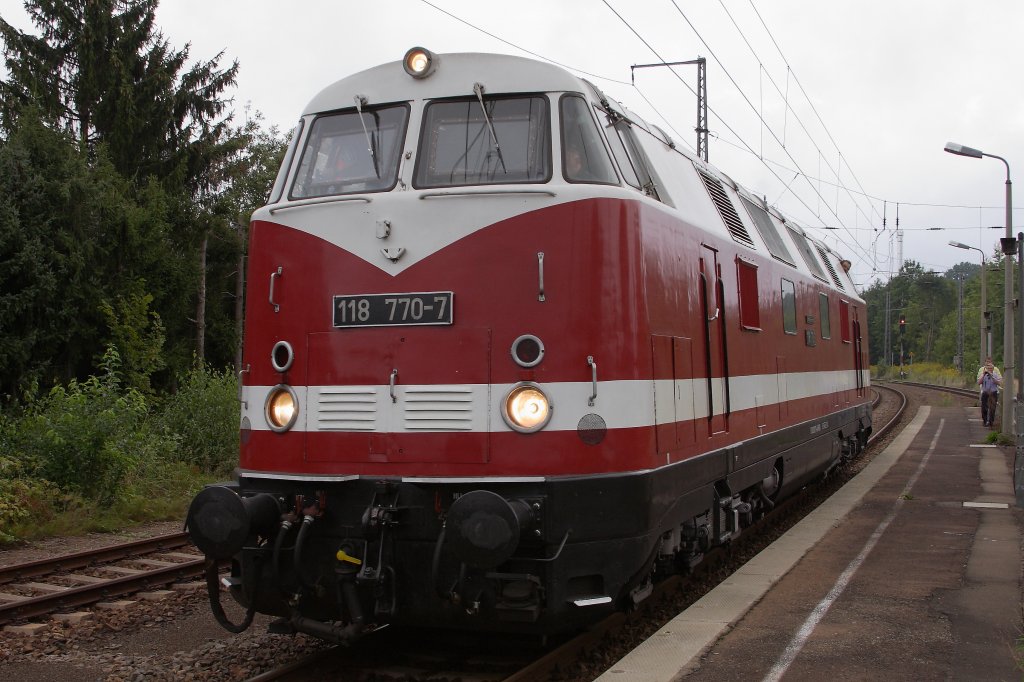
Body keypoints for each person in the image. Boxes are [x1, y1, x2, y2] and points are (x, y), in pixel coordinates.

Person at [976, 357, 1003, 427]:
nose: (989, 370)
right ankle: (985, 421)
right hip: (985, 392)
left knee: (992, 408)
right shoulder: (983, 373)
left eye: (991, 368)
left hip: (993, 392)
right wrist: (984, 375)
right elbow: (979, 382)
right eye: (988, 368)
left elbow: (999, 383)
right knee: (984, 407)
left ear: (993, 369)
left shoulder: (995, 374)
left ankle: (991, 422)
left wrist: (992, 376)